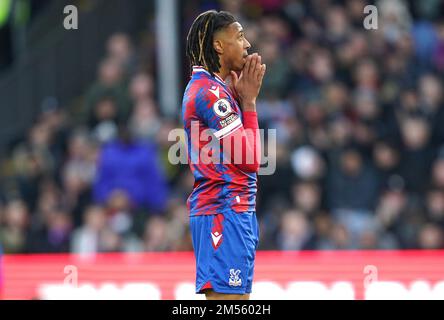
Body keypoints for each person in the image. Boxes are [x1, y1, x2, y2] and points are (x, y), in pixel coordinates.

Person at [182, 10, 266, 300]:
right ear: (219, 46)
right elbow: (250, 159)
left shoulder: (215, 89)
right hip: (224, 211)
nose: (247, 44)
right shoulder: (210, 94)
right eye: (240, 36)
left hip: (233, 210)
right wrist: (250, 103)